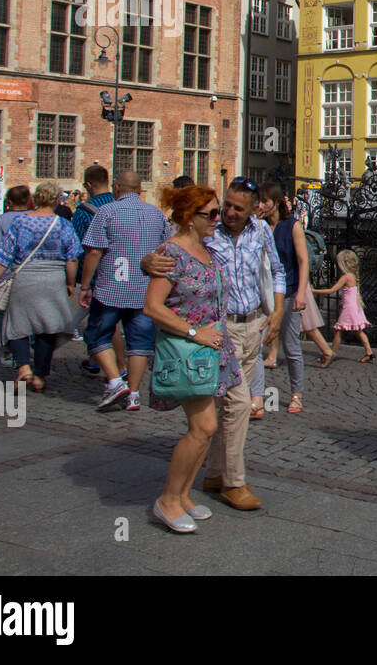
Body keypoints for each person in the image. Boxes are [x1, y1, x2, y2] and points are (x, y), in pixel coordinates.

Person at [141, 176, 285, 511]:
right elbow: (165, 256)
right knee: (236, 406)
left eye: (237, 208)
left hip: (251, 324)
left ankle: (212, 475)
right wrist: (144, 262)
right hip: (217, 332)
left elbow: (277, 270)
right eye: (225, 207)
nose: (228, 214)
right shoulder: (205, 232)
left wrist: (277, 310)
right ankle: (233, 483)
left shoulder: (260, 232)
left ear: (254, 210)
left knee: (230, 410)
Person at [143, 185, 242, 533]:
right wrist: (193, 332)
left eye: (219, 212)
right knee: (205, 427)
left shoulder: (205, 249)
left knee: (204, 428)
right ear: (188, 217)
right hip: (189, 351)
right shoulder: (172, 253)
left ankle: (183, 495)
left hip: (212, 352)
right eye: (211, 214)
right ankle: (167, 500)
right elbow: (153, 306)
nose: (219, 219)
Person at [80, 171, 173, 412]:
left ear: (117, 188)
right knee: (139, 343)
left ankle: (114, 380)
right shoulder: (156, 214)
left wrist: (84, 285)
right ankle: (133, 393)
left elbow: (93, 252)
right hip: (144, 289)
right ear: (140, 189)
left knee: (97, 334)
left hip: (111, 288)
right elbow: (166, 249)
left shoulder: (107, 212)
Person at [0, 182, 83, 393]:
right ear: (58, 200)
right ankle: (39, 375)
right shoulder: (63, 224)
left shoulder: (21, 222)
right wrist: (69, 282)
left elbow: (4, 255)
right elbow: (72, 258)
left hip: (25, 277)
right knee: (48, 328)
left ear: (35, 199)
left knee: (18, 324)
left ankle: (23, 367)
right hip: (53, 278)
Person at [253, 184, 331, 413]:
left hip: (288, 291)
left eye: (265, 201)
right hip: (263, 294)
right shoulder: (259, 226)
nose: (261, 205)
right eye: (259, 201)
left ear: (276, 201)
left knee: (291, 345)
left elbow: (303, 260)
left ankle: (296, 394)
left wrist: (300, 293)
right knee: (256, 346)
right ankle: (257, 398)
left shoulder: (292, 226)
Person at [0, 186, 34, 366]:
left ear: (9, 201)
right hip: (32, 273)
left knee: (6, 314)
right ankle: (28, 351)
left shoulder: (1, 220)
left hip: (7, 273)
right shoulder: (36, 218)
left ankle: (8, 353)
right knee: (30, 314)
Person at [71, 165, 115, 355]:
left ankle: (97, 359)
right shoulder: (120, 205)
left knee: (98, 321)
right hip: (121, 271)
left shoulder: (83, 212)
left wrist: (83, 281)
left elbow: (79, 248)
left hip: (96, 273)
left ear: (88, 185)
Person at [314, 249, 373, 364]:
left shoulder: (346, 277)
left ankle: (330, 354)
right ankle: (369, 352)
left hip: (349, 308)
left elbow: (332, 290)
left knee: (338, 330)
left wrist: (314, 290)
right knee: (359, 330)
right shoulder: (353, 276)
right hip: (354, 307)